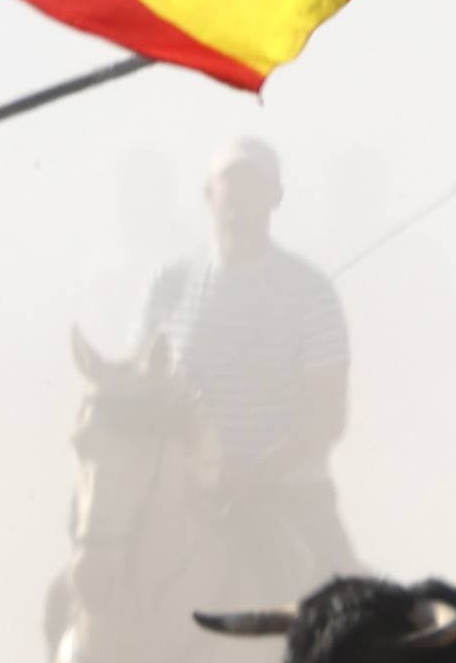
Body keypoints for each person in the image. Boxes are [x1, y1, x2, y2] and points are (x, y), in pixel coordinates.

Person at [135, 137, 357, 585]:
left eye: (253, 184)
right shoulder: (168, 284)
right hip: (186, 494)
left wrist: (255, 473)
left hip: (289, 495)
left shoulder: (311, 292)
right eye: (229, 183)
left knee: (352, 615)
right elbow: (143, 391)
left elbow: (328, 415)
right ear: (208, 194)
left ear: (276, 196)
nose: (240, 195)